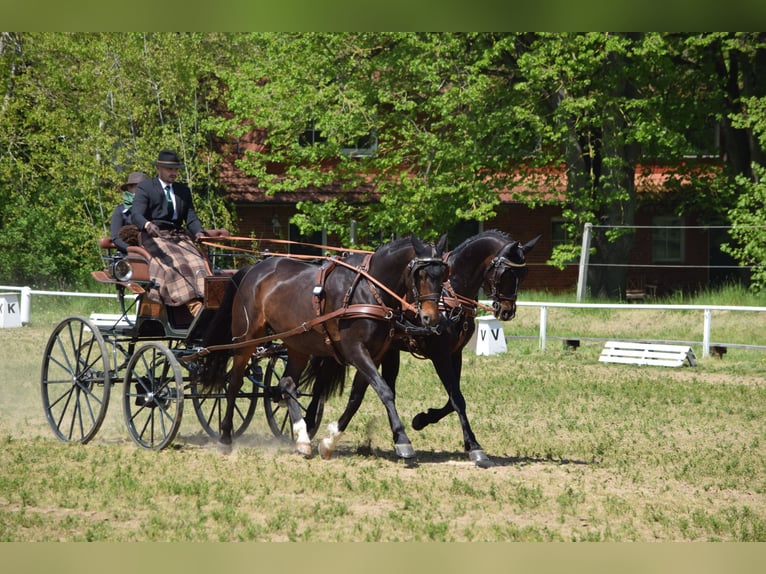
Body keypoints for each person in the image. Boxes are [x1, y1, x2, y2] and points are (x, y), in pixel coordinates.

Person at [132, 150, 209, 317]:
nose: (174, 173)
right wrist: (147, 224)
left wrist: (199, 232)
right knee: (177, 263)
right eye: (169, 169)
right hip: (154, 236)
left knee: (198, 263)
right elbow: (136, 214)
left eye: (176, 170)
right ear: (159, 168)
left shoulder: (183, 190)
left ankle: (206, 302)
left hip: (178, 237)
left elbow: (191, 217)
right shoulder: (146, 187)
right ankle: (193, 305)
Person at [109, 171, 148, 254]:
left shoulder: (154, 209)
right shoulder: (120, 211)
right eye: (135, 187)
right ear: (129, 189)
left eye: (141, 188)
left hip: (152, 250)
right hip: (128, 254)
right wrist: (132, 249)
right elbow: (115, 237)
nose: (138, 191)